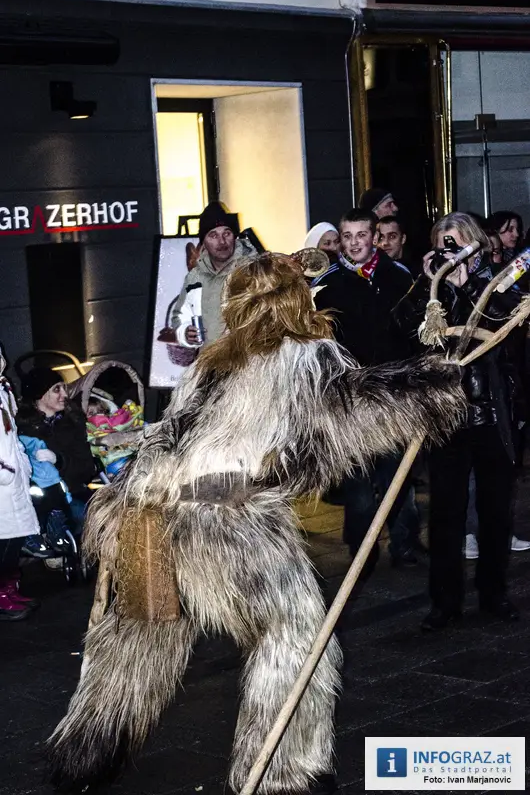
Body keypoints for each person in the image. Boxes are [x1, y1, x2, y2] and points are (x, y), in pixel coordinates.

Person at [48, 251, 464, 794]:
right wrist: (430, 387)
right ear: (299, 299)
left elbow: (175, 431)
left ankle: (88, 749)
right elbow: (349, 410)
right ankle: (283, 773)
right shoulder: (305, 357)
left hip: (150, 514)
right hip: (230, 523)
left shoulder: (209, 363)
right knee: (293, 632)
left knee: (139, 631)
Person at [396, 212, 525, 631]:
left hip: (491, 416)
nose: (450, 253)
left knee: (495, 512)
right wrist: (429, 285)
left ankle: (493, 593)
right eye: (443, 244)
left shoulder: (495, 281)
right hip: (448, 417)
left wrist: (468, 284)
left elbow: (507, 327)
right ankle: (445, 602)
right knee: (446, 515)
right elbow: (404, 330)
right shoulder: (433, 289)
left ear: (473, 244)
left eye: (456, 244)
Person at [312, 209, 420, 571]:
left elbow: (414, 332)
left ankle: (405, 544)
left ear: (375, 237)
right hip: (351, 398)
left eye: (362, 235)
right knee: (358, 483)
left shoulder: (398, 276)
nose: (354, 242)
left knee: (397, 476)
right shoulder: (327, 285)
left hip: (394, 394)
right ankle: (361, 552)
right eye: (347, 236)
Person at [166, 201, 257, 350]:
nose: (222, 241)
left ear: (234, 236)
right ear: (203, 242)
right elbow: (179, 315)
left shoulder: (255, 270)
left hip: (249, 359)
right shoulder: (194, 278)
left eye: (226, 233)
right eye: (213, 235)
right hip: (210, 360)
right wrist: (184, 332)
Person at [17, 368, 96, 537]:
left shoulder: (72, 422)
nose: (64, 395)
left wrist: (60, 460)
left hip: (71, 492)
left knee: (92, 515)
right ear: (40, 394)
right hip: (36, 498)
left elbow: (87, 468)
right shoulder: (21, 429)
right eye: (56, 389)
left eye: (64, 388)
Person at [0, 346, 40, 620]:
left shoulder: (3, 390)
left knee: (12, 541)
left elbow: (9, 435)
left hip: (12, 479)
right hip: (3, 482)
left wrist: (22, 463)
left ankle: (8, 589)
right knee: (2, 542)